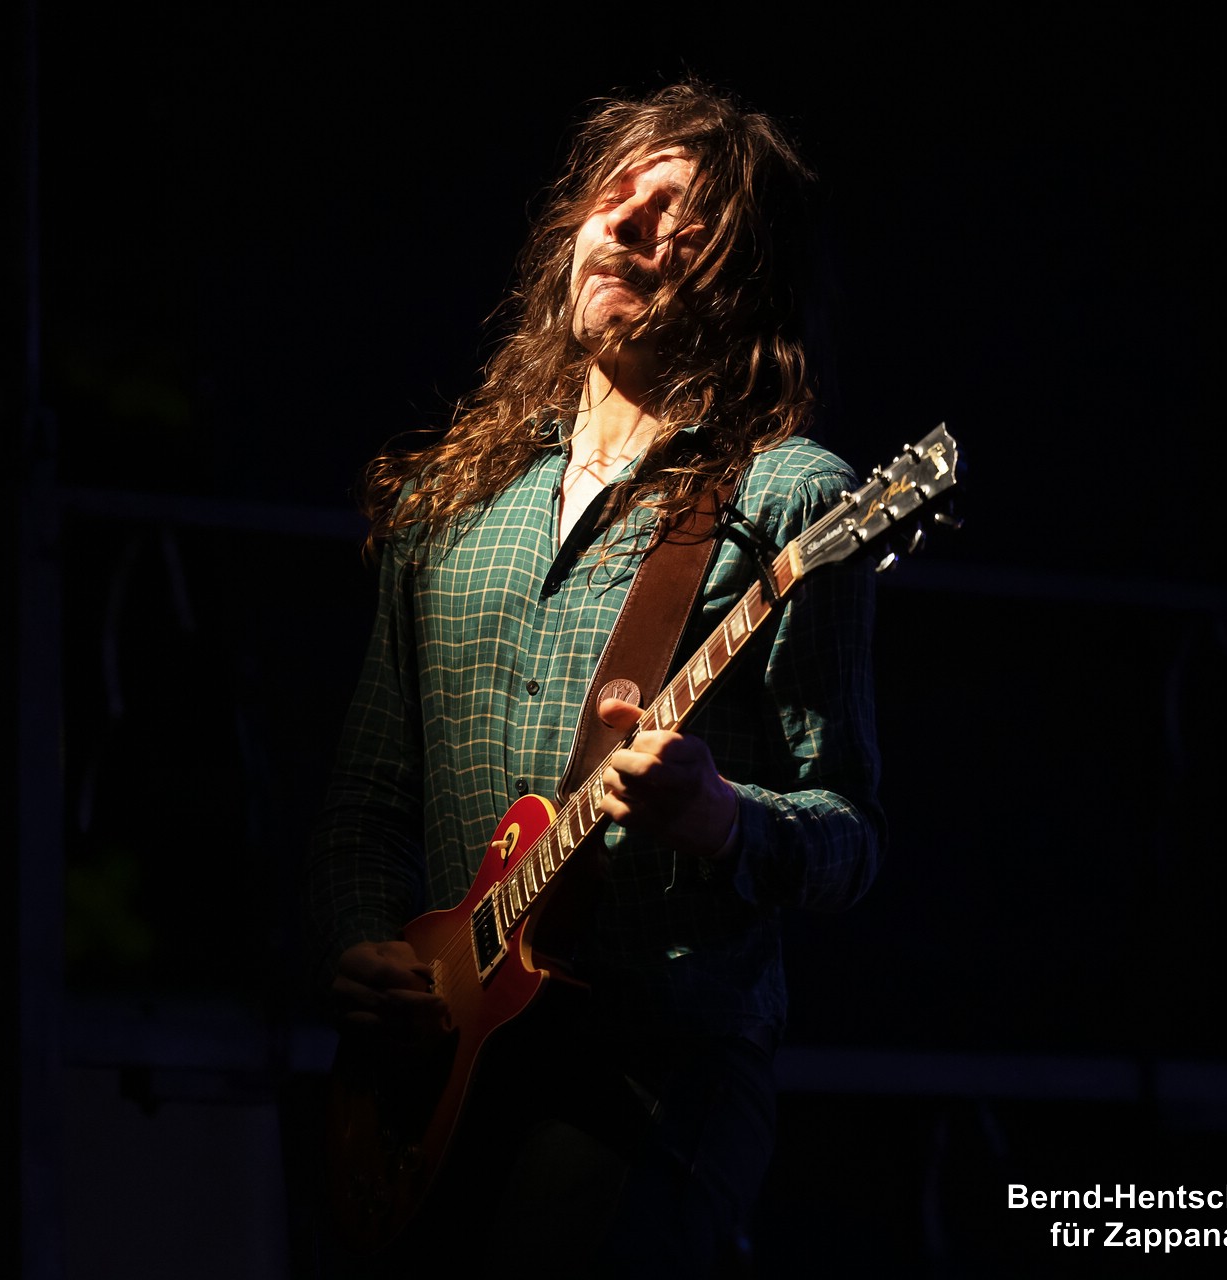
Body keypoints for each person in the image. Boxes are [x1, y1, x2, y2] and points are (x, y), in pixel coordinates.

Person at [305, 79, 882, 1276]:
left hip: (653, 1079)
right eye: (614, 196)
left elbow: (850, 831)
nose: (623, 224)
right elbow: (369, 797)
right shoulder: (451, 504)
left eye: (678, 219)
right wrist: (362, 944)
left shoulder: (789, 499)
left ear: (740, 276)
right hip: (437, 1075)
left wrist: (721, 817)